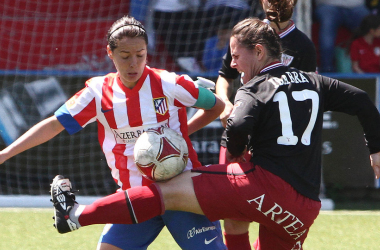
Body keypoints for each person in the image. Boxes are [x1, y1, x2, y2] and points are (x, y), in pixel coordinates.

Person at [50, 17, 380, 250]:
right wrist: (376, 149)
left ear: (260, 53)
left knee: (169, 187)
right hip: (304, 207)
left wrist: (232, 157)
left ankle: (75, 215)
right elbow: (364, 101)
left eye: (236, 55)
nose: (233, 64)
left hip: (262, 186)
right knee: (235, 221)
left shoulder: (256, 87)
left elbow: (236, 124)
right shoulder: (315, 81)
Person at [0, 16, 226, 250]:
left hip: (183, 191)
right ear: (110, 52)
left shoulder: (169, 83)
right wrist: (5, 154)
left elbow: (216, 106)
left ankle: (75, 215)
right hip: (135, 196)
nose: (133, 64)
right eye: (125, 56)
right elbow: (54, 124)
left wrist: (180, 136)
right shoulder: (97, 92)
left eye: (140, 55)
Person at [216, 1, 318, 247]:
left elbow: (309, 93)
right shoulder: (245, 34)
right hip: (241, 130)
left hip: (276, 143)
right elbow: (224, 77)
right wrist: (225, 104)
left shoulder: (303, 45)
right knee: (233, 214)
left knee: (276, 214)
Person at [314, 0, 370, 73]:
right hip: (327, 5)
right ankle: (327, 70)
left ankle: (371, 67)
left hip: (356, 5)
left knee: (371, 24)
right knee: (327, 31)